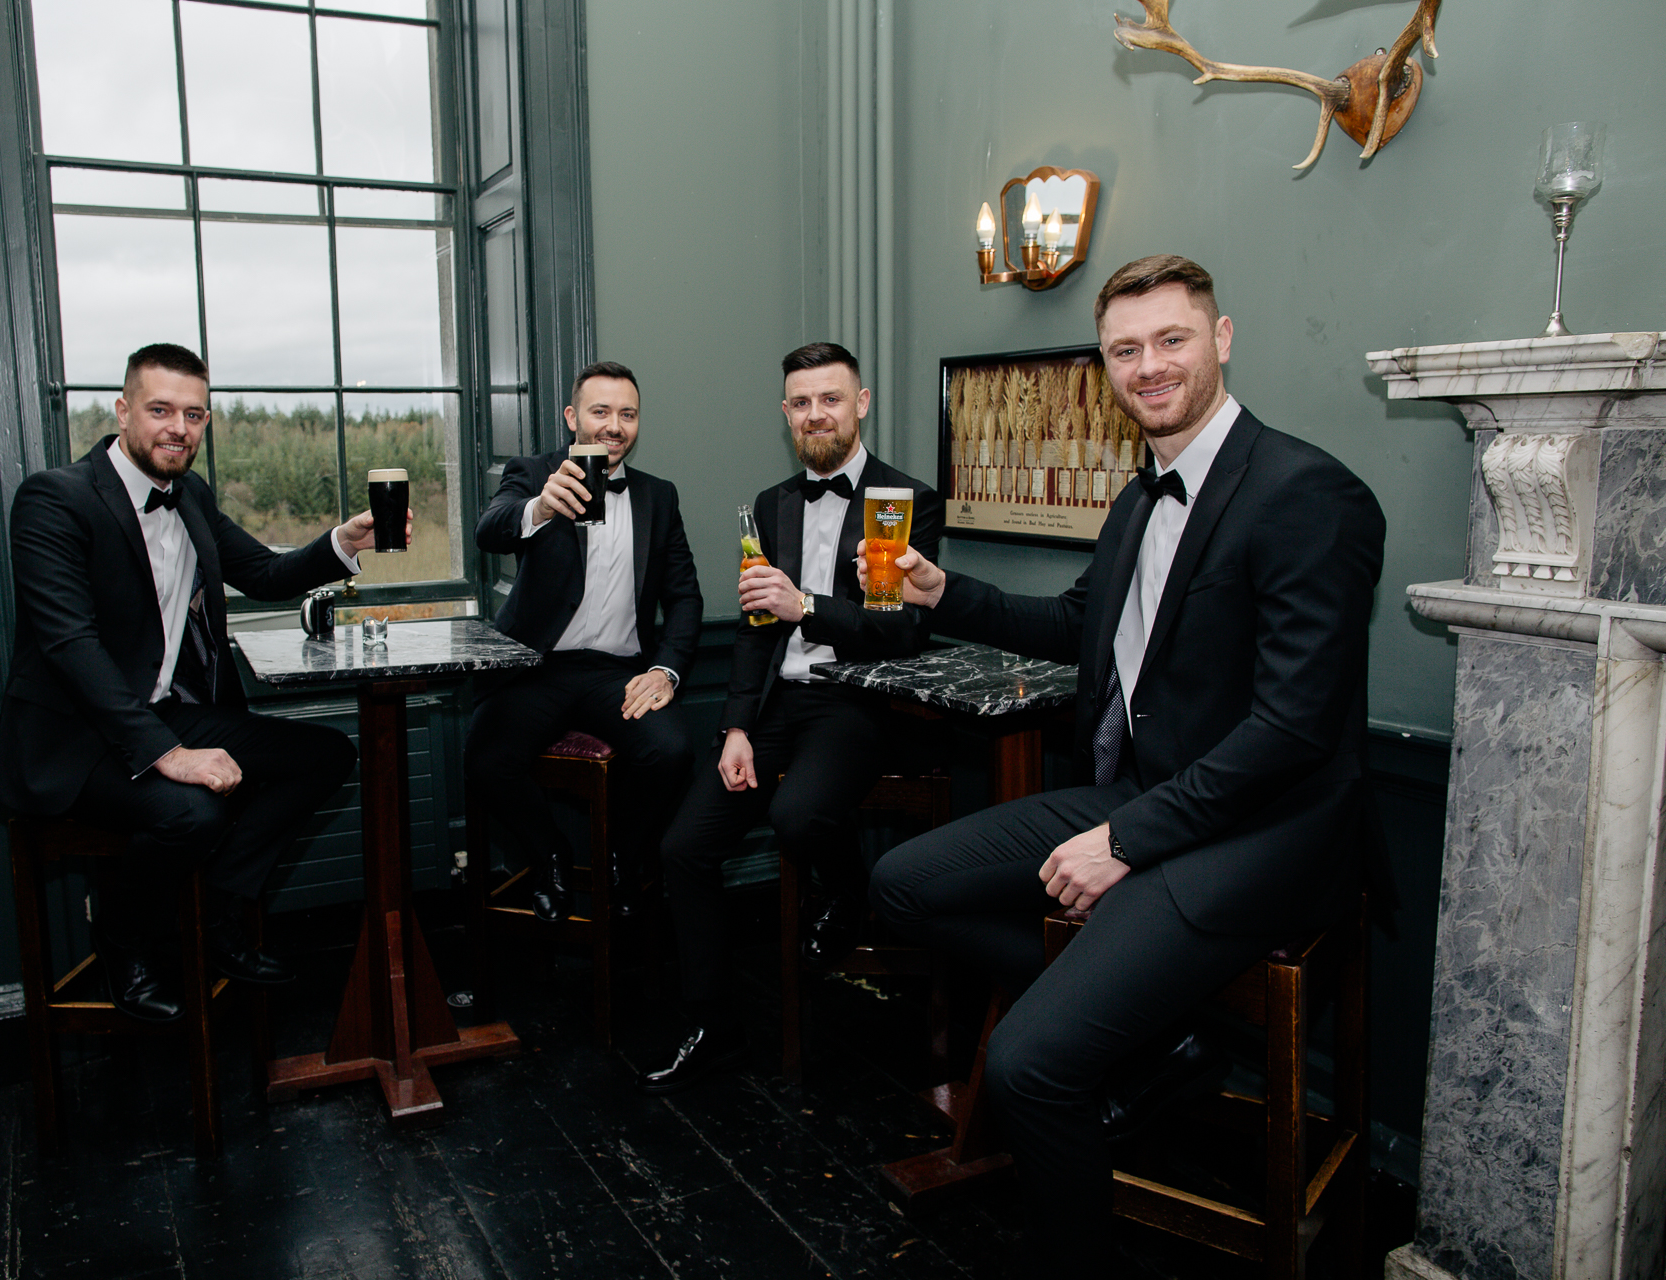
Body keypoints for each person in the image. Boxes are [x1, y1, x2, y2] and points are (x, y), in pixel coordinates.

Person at [867, 256, 1385, 1274]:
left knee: (1029, 1062)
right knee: (901, 882)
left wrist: (1124, 840)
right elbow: (1075, 624)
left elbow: (1290, 731)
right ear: (1105, 364)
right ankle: (1156, 1042)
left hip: (1267, 832)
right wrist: (942, 590)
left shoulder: (1308, 492)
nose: (1149, 366)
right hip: (1150, 794)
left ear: (1222, 338)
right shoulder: (1139, 497)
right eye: (1125, 349)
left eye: (1172, 339)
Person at [0, 342, 389, 1023]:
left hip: (165, 715)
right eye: (161, 410)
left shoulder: (191, 495)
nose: (180, 427)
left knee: (325, 755)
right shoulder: (54, 500)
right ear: (122, 411)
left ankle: (218, 912)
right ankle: (123, 939)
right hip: (76, 740)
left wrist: (343, 543)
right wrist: (168, 754)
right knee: (194, 812)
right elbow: (69, 644)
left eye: (196, 414)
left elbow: (262, 573)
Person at [639, 341, 944, 1094]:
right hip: (777, 701)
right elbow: (753, 627)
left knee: (800, 816)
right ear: (786, 414)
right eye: (802, 402)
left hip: (858, 699)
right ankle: (713, 1026)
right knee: (682, 848)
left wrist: (806, 604)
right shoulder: (773, 503)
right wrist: (737, 726)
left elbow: (903, 629)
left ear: (861, 404)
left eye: (831, 399)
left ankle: (846, 894)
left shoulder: (904, 500)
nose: (816, 414)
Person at [466, 361, 702, 923]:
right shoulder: (534, 471)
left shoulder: (658, 497)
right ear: (574, 417)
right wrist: (541, 507)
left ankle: (621, 858)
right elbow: (490, 528)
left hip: (615, 674)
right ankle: (549, 857)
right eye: (601, 412)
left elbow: (686, 598)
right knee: (485, 755)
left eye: (627, 414)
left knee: (672, 752)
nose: (614, 426)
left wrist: (665, 671)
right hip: (537, 666)